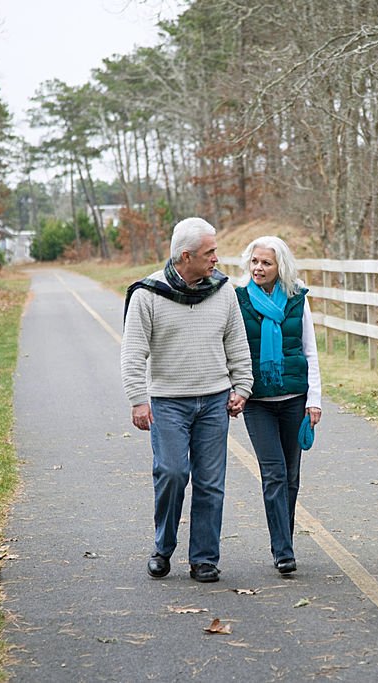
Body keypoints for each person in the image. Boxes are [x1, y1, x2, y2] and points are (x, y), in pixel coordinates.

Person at [121, 217, 253, 584]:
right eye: (210, 252)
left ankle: (205, 559)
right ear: (186, 256)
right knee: (173, 473)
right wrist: (137, 398)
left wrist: (242, 386)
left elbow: (236, 342)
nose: (216, 259)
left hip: (213, 400)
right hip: (168, 402)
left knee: (211, 482)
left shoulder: (223, 291)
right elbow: (133, 352)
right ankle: (163, 546)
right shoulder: (148, 294)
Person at [235, 236, 323, 575]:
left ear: (279, 267)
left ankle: (282, 540)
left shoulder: (297, 299)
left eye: (266, 263)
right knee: (273, 473)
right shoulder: (239, 299)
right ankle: (282, 549)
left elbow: (309, 351)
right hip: (257, 401)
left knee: (291, 477)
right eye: (255, 261)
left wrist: (313, 401)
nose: (258, 268)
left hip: (294, 400)